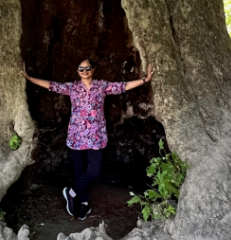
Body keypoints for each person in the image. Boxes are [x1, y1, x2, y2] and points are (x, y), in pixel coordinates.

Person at [22, 58, 154, 219]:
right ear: (77, 71)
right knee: (79, 172)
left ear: (93, 69)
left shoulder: (101, 86)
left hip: (96, 137)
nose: (85, 71)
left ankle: (70, 193)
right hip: (76, 137)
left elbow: (123, 86)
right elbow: (51, 85)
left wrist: (145, 79)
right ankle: (84, 205)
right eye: (81, 69)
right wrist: (29, 78)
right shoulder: (72, 88)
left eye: (88, 68)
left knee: (93, 170)